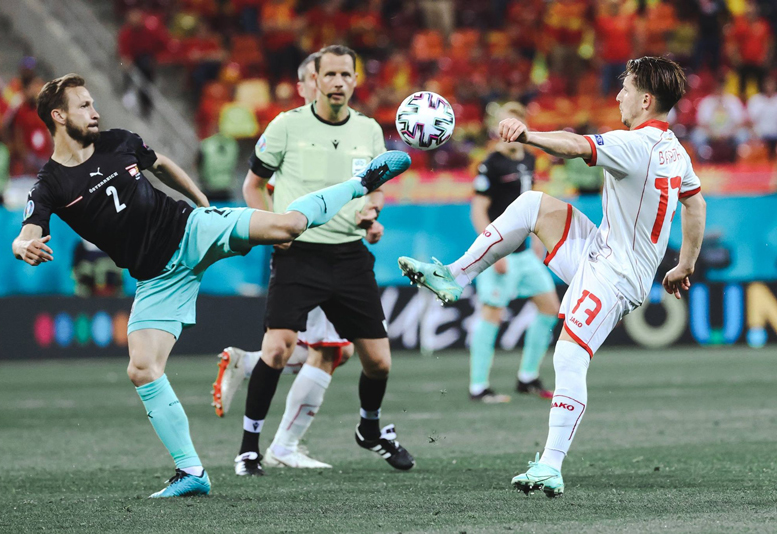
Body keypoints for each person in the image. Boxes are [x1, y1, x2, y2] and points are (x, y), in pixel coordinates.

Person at [11, 73, 410, 498]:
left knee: (290, 226)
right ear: (59, 116)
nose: (94, 112)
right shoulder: (51, 183)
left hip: (191, 230)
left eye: (93, 103)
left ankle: (361, 183)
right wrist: (23, 246)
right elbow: (28, 231)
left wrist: (200, 200)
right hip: (157, 277)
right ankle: (191, 472)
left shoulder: (118, 141)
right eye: (84, 106)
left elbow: (160, 164)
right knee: (142, 368)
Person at [399, 57, 706, 497]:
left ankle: (550, 465)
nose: (618, 96)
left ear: (645, 99)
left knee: (570, 355)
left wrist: (529, 136)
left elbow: (575, 145)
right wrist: (685, 264)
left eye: (625, 88)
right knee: (532, 204)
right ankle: (454, 276)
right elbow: (695, 204)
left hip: (616, 275)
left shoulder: (635, 145)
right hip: (602, 249)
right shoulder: (674, 150)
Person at [232, 45, 415, 477]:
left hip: (350, 256)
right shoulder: (286, 126)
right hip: (298, 255)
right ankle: (248, 450)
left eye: (345, 75)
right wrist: (272, 228)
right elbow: (252, 185)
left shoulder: (368, 130)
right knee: (277, 348)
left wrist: (371, 214)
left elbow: (374, 188)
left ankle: (369, 429)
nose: (337, 82)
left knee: (378, 362)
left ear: (355, 80)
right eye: (329, 74)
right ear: (313, 80)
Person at [468, 102, 560, 404]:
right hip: (501, 253)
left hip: (524, 254)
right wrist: (494, 250)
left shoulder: (529, 158)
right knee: (492, 314)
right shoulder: (490, 164)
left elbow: (528, 204)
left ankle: (527, 377)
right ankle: (478, 386)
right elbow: (478, 211)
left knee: (549, 307)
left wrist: (536, 235)